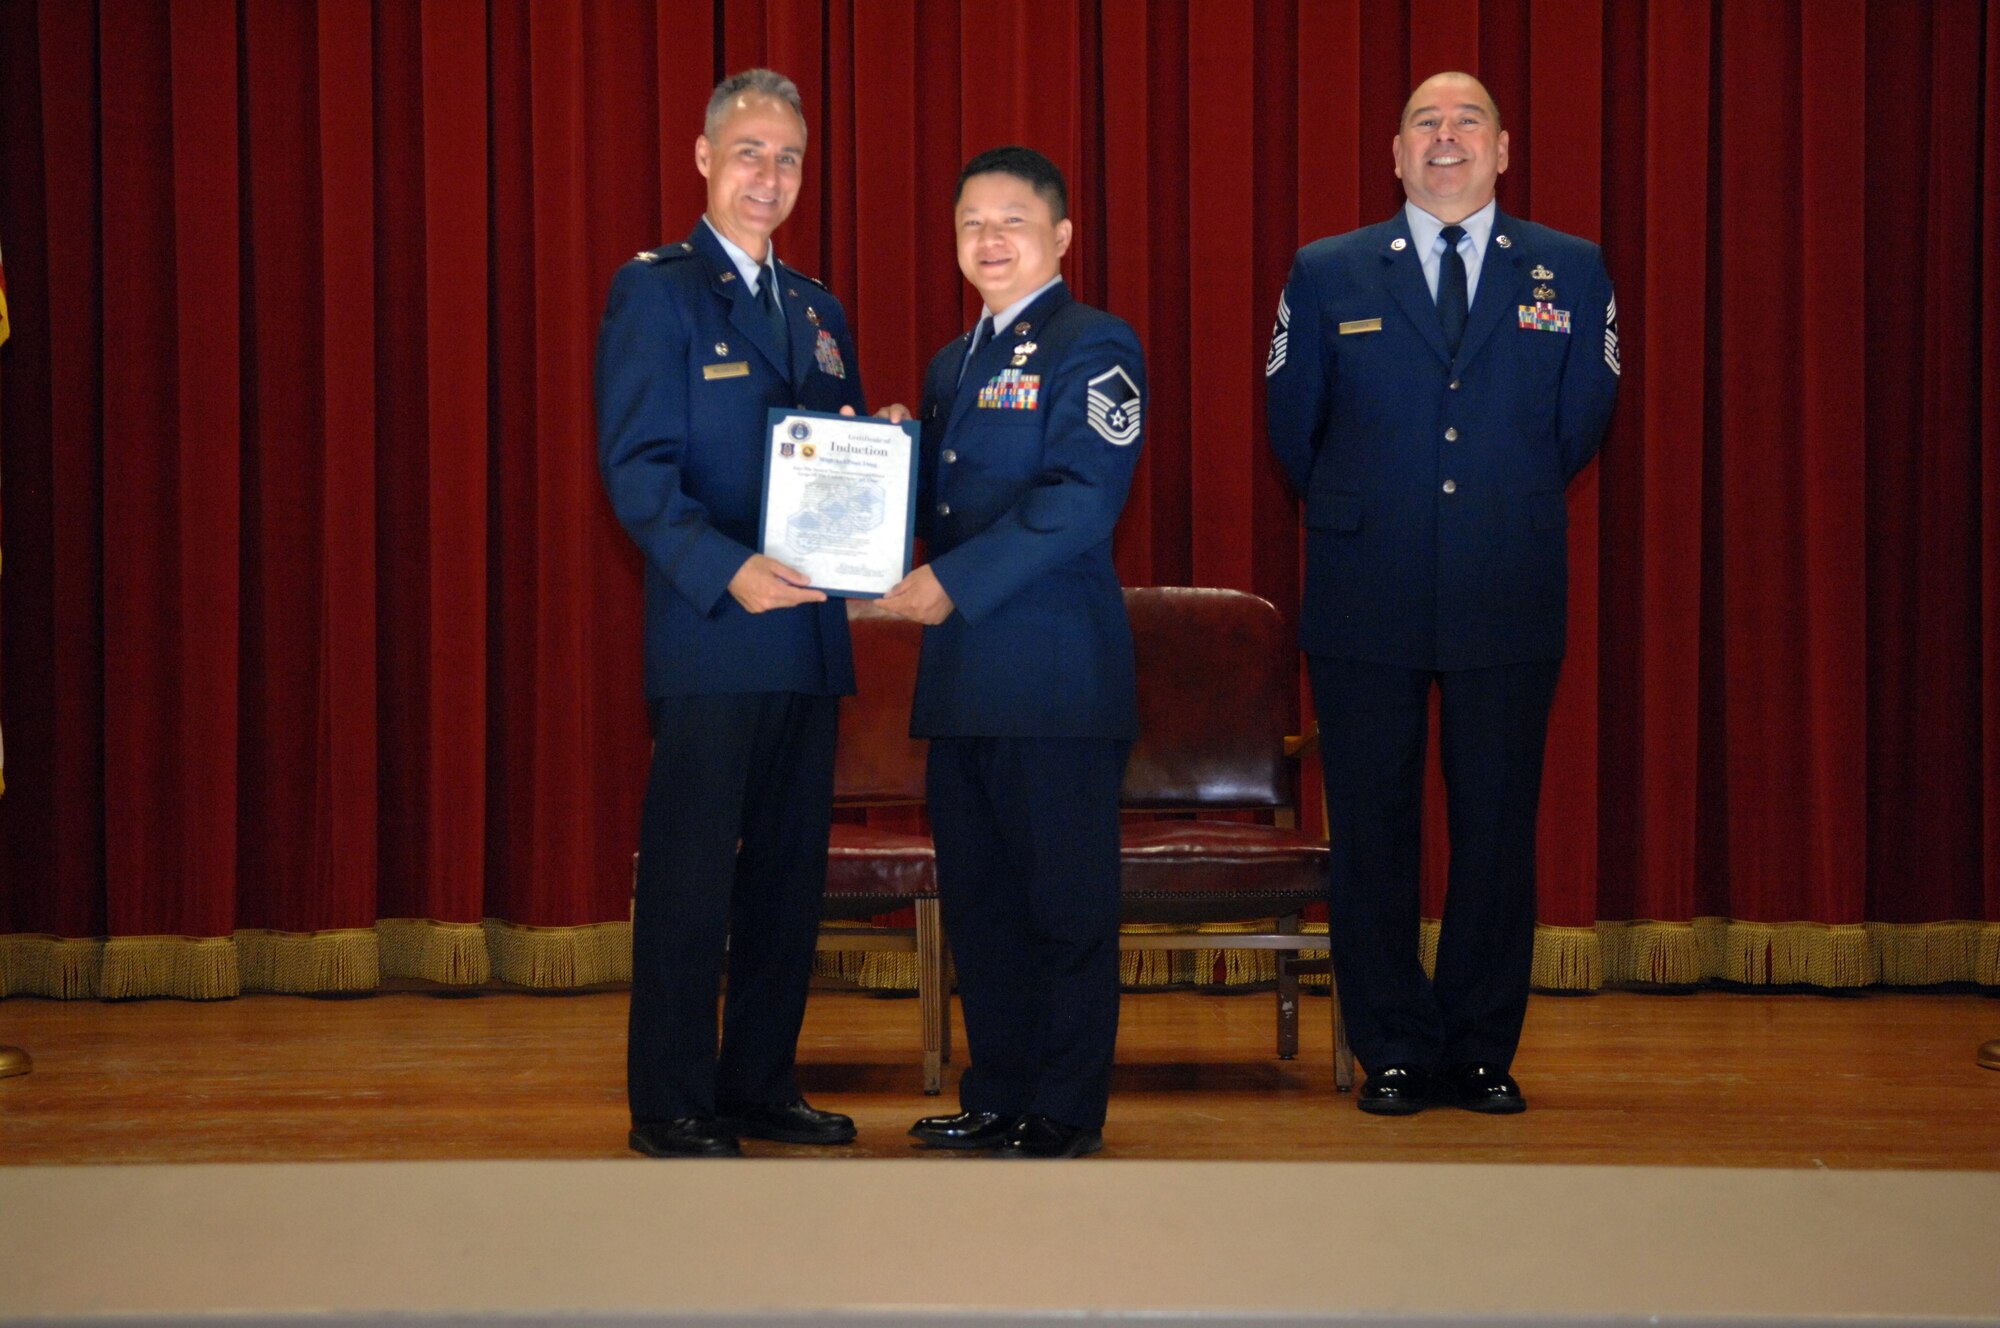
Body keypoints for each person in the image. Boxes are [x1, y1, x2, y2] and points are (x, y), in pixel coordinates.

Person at [1265, 72, 1620, 1115]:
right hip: (1363, 586)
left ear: (1504, 149)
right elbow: (1295, 428)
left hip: (1504, 583)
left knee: (1496, 827)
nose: (1446, 137)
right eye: (1425, 122)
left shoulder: (1571, 269)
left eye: (1468, 121)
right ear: (1394, 152)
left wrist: (1481, 507)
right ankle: (1388, 1045)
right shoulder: (1326, 272)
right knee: (1371, 830)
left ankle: (1475, 1045)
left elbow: (1578, 422)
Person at [595, 68, 873, 1158]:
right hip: (714, 631)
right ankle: (670, 1098)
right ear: (703, 158)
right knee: (689, 876)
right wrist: (725, 569)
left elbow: (833, 458)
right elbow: (636, 470)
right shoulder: (655, 292)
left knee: (785, 881)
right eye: (749, 152)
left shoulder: (816, 306)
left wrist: (878, 446)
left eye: (789, 158)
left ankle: (759, 1081)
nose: (769, 175)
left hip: (807, 637)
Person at [878, 147, 1146, 1159]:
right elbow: (945, 508)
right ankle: (996, 1093)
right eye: (969, 224)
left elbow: (1079, 499)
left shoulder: (1095, 345)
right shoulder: (954, 363)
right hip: (962, 682)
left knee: (1065, 909)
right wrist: (881, 460)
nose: (988, 241)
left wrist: (949, 581)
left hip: (1053, 679)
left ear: (1061, 237)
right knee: (983, 910)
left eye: (1012, 222)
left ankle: (1063, 1109)